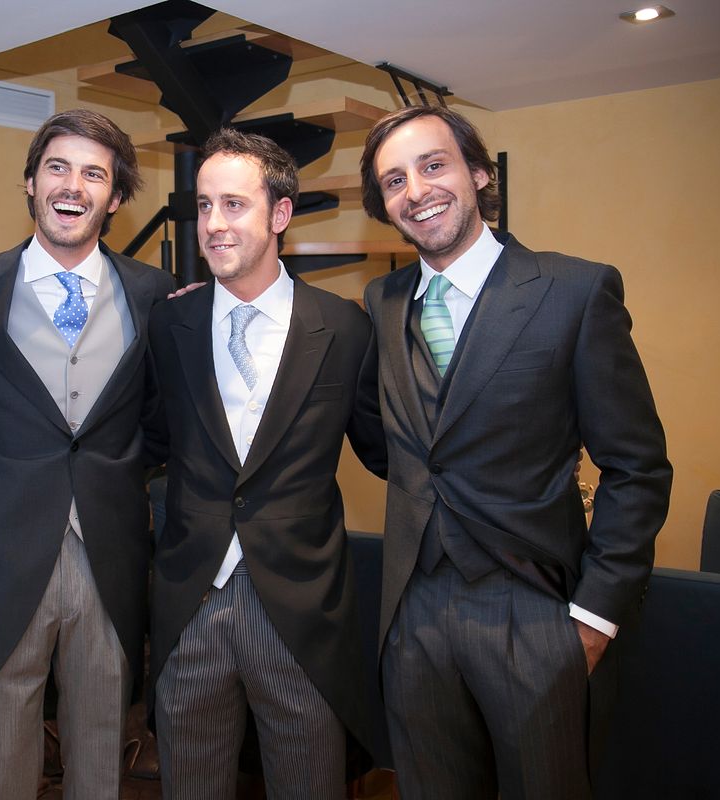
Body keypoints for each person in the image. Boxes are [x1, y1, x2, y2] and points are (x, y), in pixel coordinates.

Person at [359, 104, 672, 800]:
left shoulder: (574, 291)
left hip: (535, 612)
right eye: (395, 180)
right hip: (413, 609)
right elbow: (393, 443)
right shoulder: (382, 301)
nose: (417, 190)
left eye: (433, 165)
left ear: (478, 173)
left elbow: (637, 468)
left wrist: (595, 617)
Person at [0, 108, 175, 800]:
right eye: (57, 167)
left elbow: (161, 420)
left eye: (94, 173)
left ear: (115, 197)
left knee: (102, 745)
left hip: (109, 552)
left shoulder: (153, 294)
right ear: (31, 182)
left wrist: (112, 474)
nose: (72, 185)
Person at [147, 128, 387, 800]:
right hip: (189, 604)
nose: (213, 224)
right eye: (204, 205)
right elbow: (145, 440)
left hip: (302, 612)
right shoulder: (170, 324)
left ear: (280, 214)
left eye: (234, 205)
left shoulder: (345, 328)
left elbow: (385, 452)